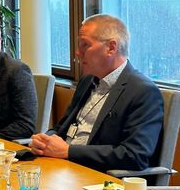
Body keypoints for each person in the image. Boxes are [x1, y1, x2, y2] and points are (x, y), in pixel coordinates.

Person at [30, 14, 163, 172]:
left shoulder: (143, 92)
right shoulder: (87, 81)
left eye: (85, 45)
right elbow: (62, 128)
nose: (77, 52)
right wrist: (45, 140)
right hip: (62, 166)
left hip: (97, 176)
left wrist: (68, 151)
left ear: (111, 48)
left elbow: (134, 155)